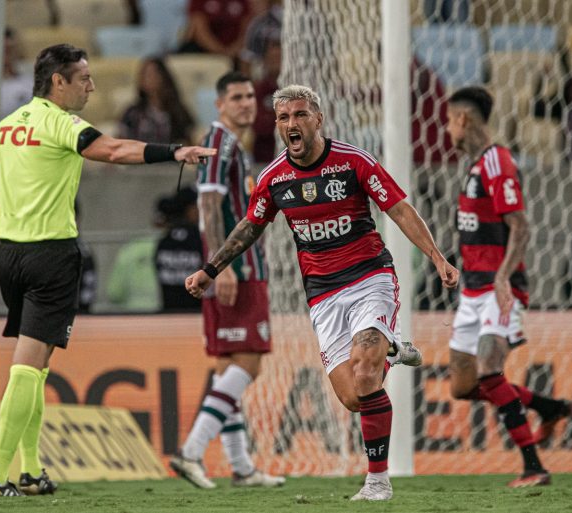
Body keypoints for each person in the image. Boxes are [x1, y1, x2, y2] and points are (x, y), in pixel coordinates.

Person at [0, 43, 215, 497]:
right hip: (50, 256)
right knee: (26, 369)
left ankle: (30, 470)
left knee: (38, 365)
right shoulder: (62, 124)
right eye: (84, 78)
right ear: (59, 82)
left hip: (8, 256)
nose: (91, 86)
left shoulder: (5, 128)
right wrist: (175, 152)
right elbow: (113, 151)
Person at [184, 84, 455, 501]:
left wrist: (437, 257)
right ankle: (393, 349)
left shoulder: (353, 162)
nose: (291, 124)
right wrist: (211, 268)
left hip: (369, 277)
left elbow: (399, 207)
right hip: (323, 294)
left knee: (366, 373)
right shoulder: (275, 177)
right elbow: (250, 226)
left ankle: (377, 482)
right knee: (352, 396)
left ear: (318, 118)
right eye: (283, 118)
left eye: (299, 115)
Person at [444, 86, 572, 488]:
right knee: (463, 387)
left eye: (449, 120)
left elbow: (520, 225)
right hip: (472, 290)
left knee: (488, 370)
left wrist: (501, 277)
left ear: (462, 119)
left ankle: (533, 466)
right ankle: (550, 407)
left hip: (499, 289)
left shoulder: (497, 162)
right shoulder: (476, 165)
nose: (447, 130)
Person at [170, 71, 284, 488]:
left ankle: (241, 467)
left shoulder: (230, 143)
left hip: (237, 265)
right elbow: (208, 206)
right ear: (219, 104)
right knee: (249, 361)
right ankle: (191, 451)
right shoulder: (219, 141)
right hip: (241, 266)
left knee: (227, 367)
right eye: (236, 97)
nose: (246, 103)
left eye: (251, 96)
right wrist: (225, 266)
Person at [118, 57, 195, 145]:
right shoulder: (132, 113)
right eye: (144, 74)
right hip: (138, 157)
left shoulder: (177, 111)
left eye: (152, 74)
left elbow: (188, 143)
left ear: (163, 77)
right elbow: (121, 143)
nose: (147, 78)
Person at [155, 188, 203, 312]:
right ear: (188, 209)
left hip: (169, 311)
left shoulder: (164, 241)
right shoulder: (198, 239)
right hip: (195, 312)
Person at [178, 0, 254, 67]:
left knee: (247, 56)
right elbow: (199, 30)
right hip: (205, 51)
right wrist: (220, 52)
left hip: (235, 54)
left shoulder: (243, 1)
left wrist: (233, 50)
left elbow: (247, 29)